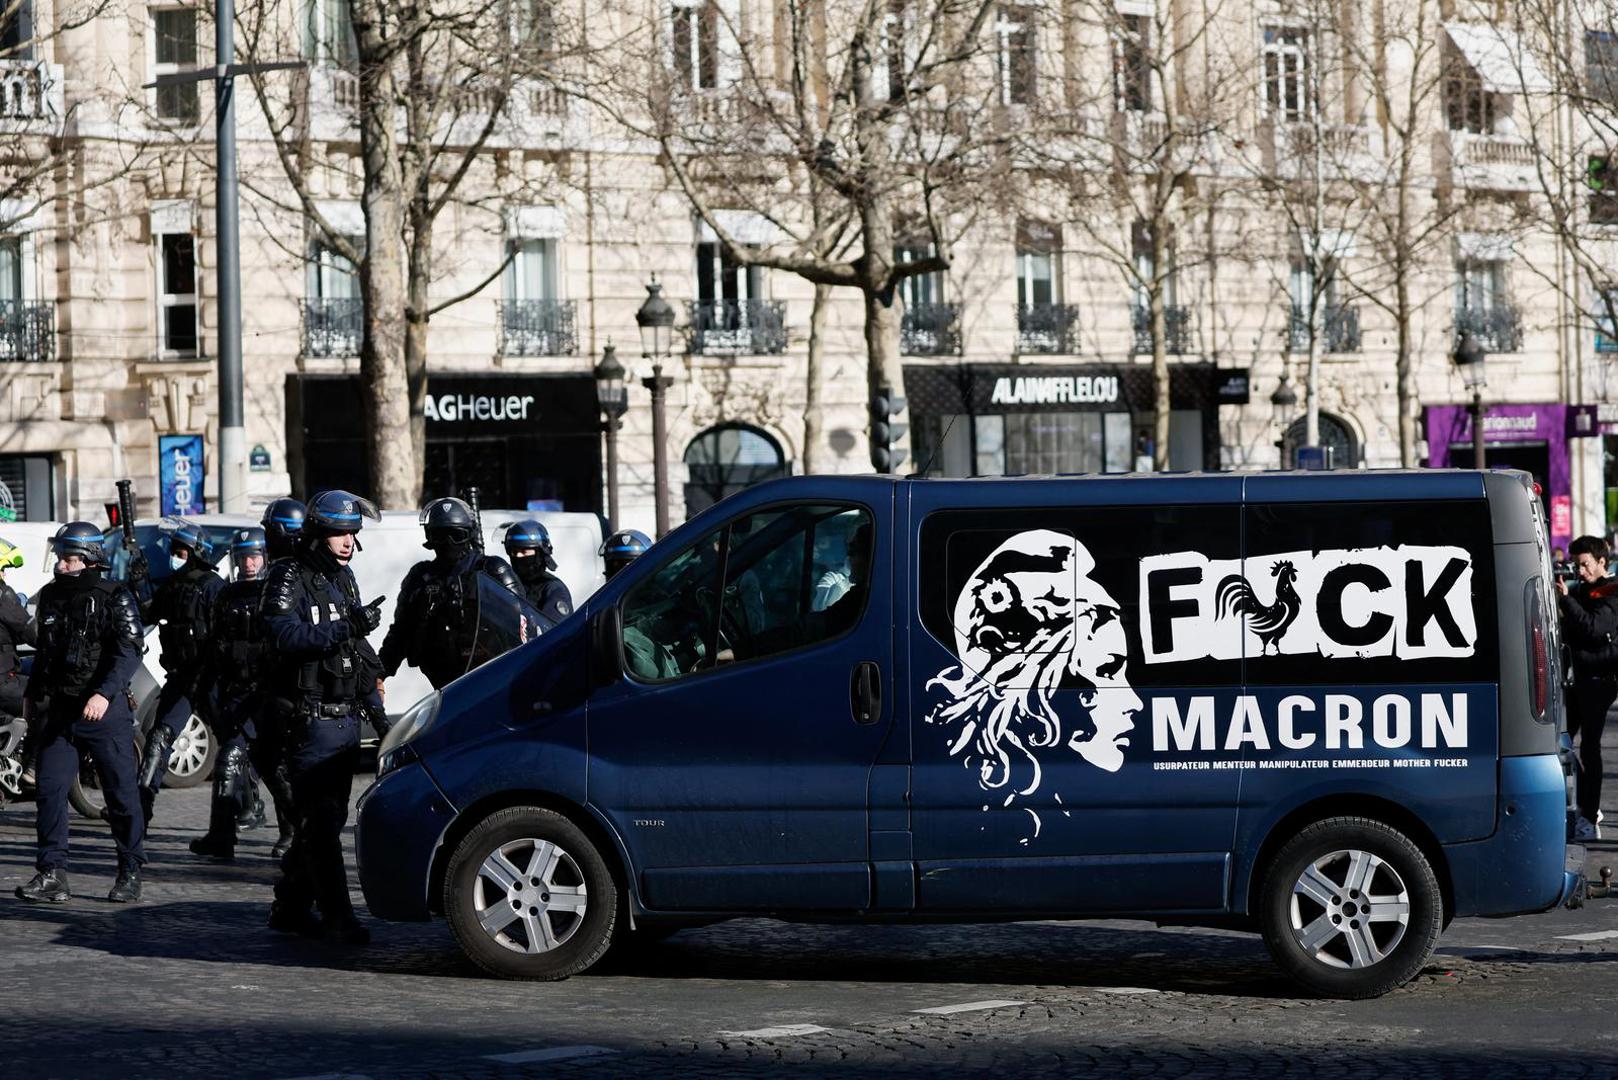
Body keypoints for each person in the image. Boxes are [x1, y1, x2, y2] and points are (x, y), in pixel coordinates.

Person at [262, 490, 385, 943]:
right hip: (309, 719)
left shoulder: (344, 578)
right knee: (321, 822)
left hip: (346, 716)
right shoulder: (288, 574)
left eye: (352, 532)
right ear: (318, 533)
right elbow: (280, 632)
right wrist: (343, 628)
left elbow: (355, 646)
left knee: (325, 823)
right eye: (338, 532)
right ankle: (337, 916)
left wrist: (379, 704)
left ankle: (290, 905)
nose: (348, 541)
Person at [15, 523, 145, 903]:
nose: (61, 565)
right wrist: (32, 692)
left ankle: (130, 869)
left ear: (88, 560)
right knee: (50, 789)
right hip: (61, 711)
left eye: (69, 559)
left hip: (103, 713)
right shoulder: (53, 596)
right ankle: (52, 872)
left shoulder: (114, 596)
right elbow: (47, 651)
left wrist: (104, 694)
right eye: (60, 557)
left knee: (120, 794)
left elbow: (129, 650)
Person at [190, 527, 278, 862]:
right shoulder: (227, 596)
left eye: (255, 556)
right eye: (244, 557)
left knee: (277, 770)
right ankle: (221, 836)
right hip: (238, 694)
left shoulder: (277, 593)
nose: (250, 563)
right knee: (229, 761)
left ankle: (291, 835)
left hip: (269, 696)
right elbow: (215, 646)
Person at [381, 498, 525, 689]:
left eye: (456, 535)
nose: (448, 543)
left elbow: (522, 623)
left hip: (490, 678)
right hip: (442, 683)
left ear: (468, 535)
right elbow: (400, 631)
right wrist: (379, 674)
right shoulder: (421, 576)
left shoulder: (491, 570)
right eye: (439, 535)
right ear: (429, 537)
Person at [136, 517, 225, 824]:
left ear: (198, 552)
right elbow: (149, 612)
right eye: (173, 550)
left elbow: (225, 635)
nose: (175, 556)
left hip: (212, 677)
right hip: (181, 676)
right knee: (159, 737)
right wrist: (140, 583)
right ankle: (140, 808)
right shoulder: (172, 586)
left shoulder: (214, 587)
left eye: (181, 551)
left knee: (231, 748)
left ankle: (236, 816)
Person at [1557, 534, 1618, 842]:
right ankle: (1583, 803)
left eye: (1585, 565)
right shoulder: (1582, 591)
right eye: (1576, 565)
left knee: (1589, 748)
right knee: (1559, 742)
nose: (1580, 571)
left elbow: (1594, 630)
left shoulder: (1611, 593)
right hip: (1576, 678)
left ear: (1602, 562)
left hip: (1600, 680)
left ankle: (1589, 814)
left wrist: (1567, 600)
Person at [0, 537, 38, 784]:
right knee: (48, 700)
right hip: (2, 681)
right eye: (3, 568)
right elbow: (30, 632)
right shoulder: (3, 594)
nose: (4, 574)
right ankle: (34, 767)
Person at [503, 519, 574, 620]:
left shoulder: (553, 589)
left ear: (540, 554)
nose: (518, 556)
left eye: (524, 552)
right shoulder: (509, 583)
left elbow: (552, 630)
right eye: (514, 552)